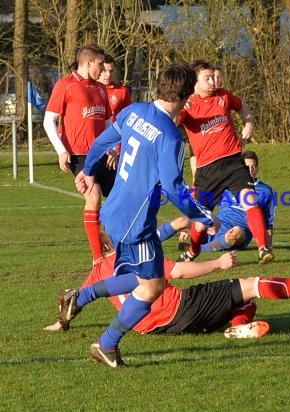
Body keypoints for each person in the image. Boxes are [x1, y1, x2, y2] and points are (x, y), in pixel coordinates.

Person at [67, 62, 216, 368]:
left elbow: (101, 143)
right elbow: (174, 190)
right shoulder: (170, 137)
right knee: (153, 286)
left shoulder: (133, 111)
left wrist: (89, 171)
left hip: (112, 213)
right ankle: (107, 344)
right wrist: (203, 215)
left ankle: (78, 298)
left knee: (140, 275)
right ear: (186, 96)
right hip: (136, 225)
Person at [44, 252, 290, 338]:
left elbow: (78, 299)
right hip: (181, 307)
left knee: (244, 300)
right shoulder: (140, 255)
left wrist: (62, 323)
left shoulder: (98, 270)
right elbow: (180, 272)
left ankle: (236, 327)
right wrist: (218, 263)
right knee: (251, 284)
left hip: (158, 327)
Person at [177, 60, 274, 264]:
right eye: (208, 78)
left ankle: (263, 248)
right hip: (208, 170)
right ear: (195, 81)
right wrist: (179, 107)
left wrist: (248, 122)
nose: (213, 81)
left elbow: (243, 108)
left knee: (250, 201)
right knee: (202, 223)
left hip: (233, 163)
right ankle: (193, 251)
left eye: (213, 76)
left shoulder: (224, 96)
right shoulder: (187, 104)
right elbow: (172, 122)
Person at [43, 44, 114, 265]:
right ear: (88, 62)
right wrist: (61, 151)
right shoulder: (65, 85)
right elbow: (49, 120)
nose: (103, 69)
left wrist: (113, 147)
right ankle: (97, 258)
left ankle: (108, 239)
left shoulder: (101, 89)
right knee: (93, 196)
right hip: (79, 154)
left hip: (103, 153)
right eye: (100, 64)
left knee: (118, 198)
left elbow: (108, 121)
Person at [160, 150, 275, 252]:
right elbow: (203, 205)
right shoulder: (229, 182)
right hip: (217, 226)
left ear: (257, 168)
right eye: (247, 166)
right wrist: (190, 226)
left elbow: (268, 222)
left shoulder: (266, 191)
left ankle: (200, 249)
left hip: (238, 234)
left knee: (237, 232)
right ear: (241, 167)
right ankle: (148, 240)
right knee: (182, 221)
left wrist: (267, 246)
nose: (250, 170)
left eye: (253, 166)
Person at [98, 53, 132, 121]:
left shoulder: (122, 91)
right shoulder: (88, 89)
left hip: (112, 130)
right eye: (104, 71)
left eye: (111, 71)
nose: (108, 75)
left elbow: (129, 116)